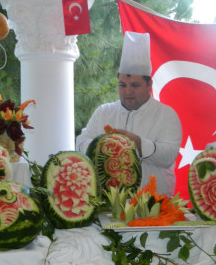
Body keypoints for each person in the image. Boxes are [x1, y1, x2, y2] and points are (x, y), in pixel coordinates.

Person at [76, 32, 182, 196]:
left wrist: (138, 144)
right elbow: (81, 143)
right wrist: (106, 146)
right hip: (109, 203)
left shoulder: (166, 115)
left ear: (149, 85)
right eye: (122, 85)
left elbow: (168, 156)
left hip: (154, 203)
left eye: (135, 85)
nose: (128, 91)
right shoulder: (104, 112)